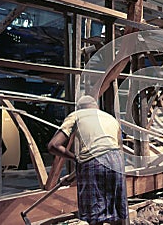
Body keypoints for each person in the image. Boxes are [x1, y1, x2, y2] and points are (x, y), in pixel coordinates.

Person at [48, 95, 128, 225]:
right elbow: (111, 150)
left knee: (94, 213)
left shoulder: (76, 115)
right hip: (116, 161)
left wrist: (75, 158)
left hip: (92, 162)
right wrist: (75, 173)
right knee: (115, 209)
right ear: (96, 107)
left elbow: (53, 146)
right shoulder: (111, 119)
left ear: (79, 108)